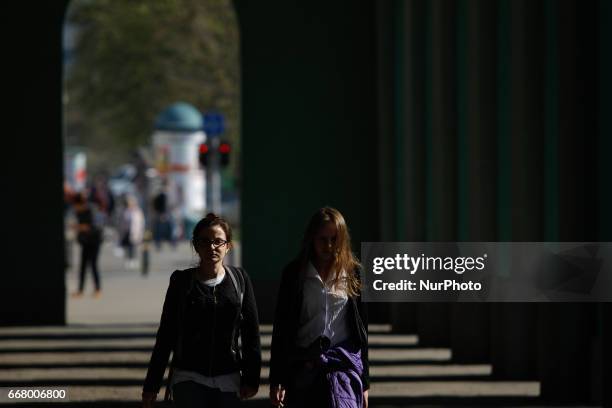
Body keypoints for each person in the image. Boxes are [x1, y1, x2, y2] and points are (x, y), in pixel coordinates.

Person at [142, 213, 261, 408]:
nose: (211, 247)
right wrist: (152, 385)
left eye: (218, 242)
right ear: (196, 245)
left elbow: (251, 335)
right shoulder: (181, 282)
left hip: (228, 379)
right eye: (204, 241)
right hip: (188, 377)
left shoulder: (239, 280)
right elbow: (166, 335)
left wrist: (251, 378)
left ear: (228, 246)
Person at [269, 207, 369, 408]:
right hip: (303, 368)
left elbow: (362, 331)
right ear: (312, 239)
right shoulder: (295, 274)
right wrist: (277, 380)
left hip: (342, 368)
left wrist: (365, 383)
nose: (329, 245)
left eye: (334, 239)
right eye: (322, 239)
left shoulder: (353, 273)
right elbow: (281, 329)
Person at [71, 192, 103, 298]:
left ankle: (98, 289)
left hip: (95, 241)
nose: (75, 208)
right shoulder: (79, 212)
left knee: (93, 265)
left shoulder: (90, 210)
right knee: (83, 266)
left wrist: (78, 227)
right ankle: (80, 290)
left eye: (76, 205)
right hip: (85, 241)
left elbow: (92, 226)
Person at [119, 194, 145, 270]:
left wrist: (140, 231)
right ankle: (128, 260)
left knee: (134, 246)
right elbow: (122, 222)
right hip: (127, 231)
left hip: (135, 231)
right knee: (128, 246)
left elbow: (141, 222)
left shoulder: (138, 211)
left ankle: (134, 259)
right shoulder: (125, 211)